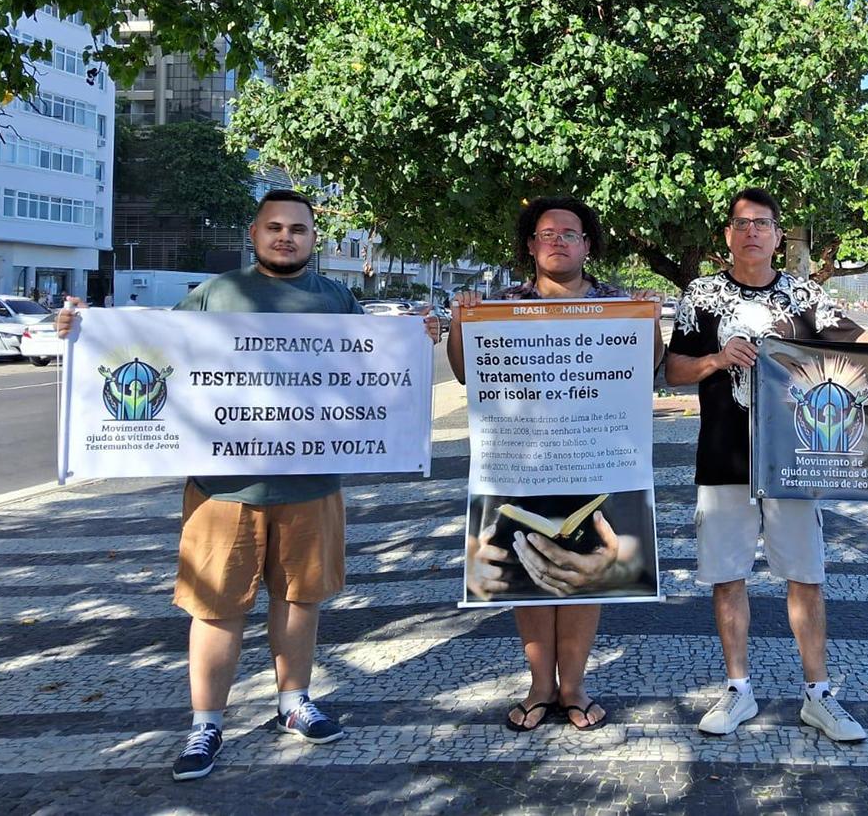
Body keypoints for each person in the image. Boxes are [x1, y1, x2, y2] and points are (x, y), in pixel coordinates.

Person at [57, 190, 441, 781]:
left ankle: (294, 702)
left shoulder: (337, 298)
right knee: (215, 609)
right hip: (222, 489)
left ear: (314, 238)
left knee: (300, 600)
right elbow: (151, 347)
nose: (286, 237)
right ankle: (206, 724)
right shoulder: (215, 294)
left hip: (312, 482)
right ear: (254, 234)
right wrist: (83, 330)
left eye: (298, 229)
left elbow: (372, 370)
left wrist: (419, 339)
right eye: (274, 227)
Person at [665, 187, 868, 743]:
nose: (752, 232)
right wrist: (716, 358)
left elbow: (858, 340)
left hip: (795, 459)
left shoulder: (803, 294)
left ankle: (819, 693)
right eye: (742, 224)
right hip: (724, 457)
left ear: (778, 235)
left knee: (805, 576)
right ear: (728, 235)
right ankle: (738, 688)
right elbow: (674, 370)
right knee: (728, 577)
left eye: (763, 223)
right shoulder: (702, 295)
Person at [450, 196, 663, 734]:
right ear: (530, 245)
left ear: (587, 244)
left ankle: (574, 687)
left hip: (595, 459)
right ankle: (540, 686)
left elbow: (646, 366)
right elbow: (466, 373)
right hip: (521, 463)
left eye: (569, 233)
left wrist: (650, 320)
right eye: (547, 234)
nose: (558, 242)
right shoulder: (501, 305)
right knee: (529, 576)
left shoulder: (617, 303)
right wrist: (460, 322)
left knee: (583, 576)